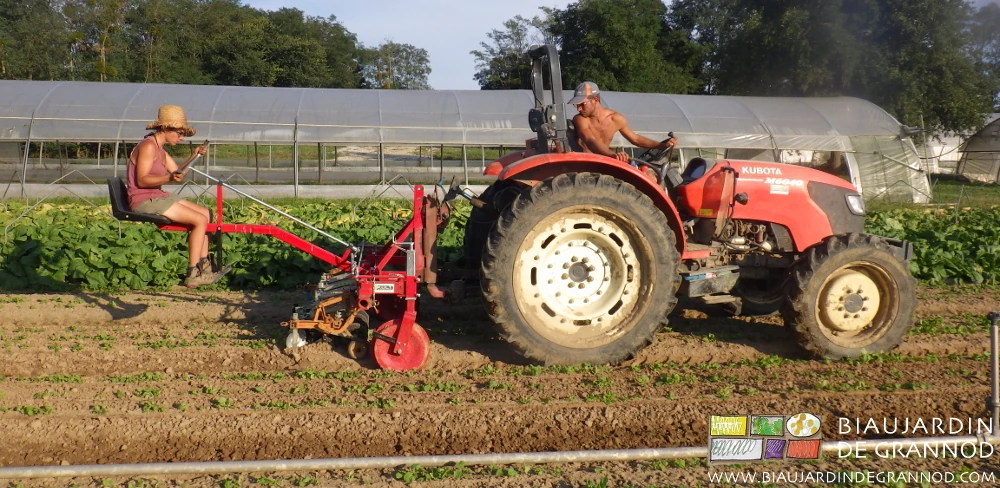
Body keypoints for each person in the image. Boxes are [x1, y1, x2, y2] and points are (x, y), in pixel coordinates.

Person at [127, 104, 230, 288]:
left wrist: (194, 155)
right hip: (143, 200)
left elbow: (177, 173)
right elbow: (142, 181)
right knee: (199, 220)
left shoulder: (161, 149)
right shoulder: (148, 147)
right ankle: (192, 273)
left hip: (156, 195)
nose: (181, 138)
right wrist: (169, 177)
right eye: (179, 133)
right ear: (166, 128)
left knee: (206, 214)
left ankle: (204, 266)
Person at [568, 81, 678, 163]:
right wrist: (613, 155)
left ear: (595, 100)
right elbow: (590, 140)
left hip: (604, 162)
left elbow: (635, 139)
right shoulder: (580, 119)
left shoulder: (616, 119)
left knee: (650, 175)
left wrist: (662, 145)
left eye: (582, 104)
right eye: (577, 105)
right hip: (584, 163)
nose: (578, 109)